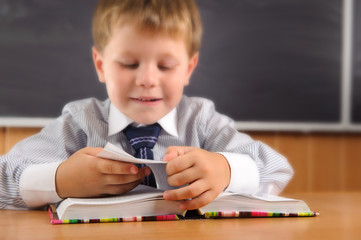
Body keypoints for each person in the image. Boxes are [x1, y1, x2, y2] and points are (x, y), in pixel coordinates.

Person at [0, 0, 293, 210]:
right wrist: (60, 180)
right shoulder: (79, 123)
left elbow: (277, 167)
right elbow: (4, 176)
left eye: (165, 66)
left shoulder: (202, 121)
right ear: (100, 65)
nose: (147, 79)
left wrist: (225, 169)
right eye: (129, 63)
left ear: (188, 69)